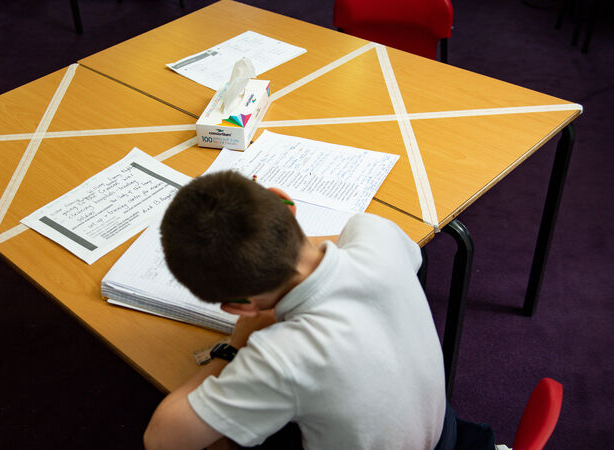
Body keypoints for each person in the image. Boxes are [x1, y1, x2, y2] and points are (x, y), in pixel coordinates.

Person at [144, 170, 448, 450]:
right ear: (285, 201)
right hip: (442, 429)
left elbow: (160, 439)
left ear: (239, 307)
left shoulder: (279, 357)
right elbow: (409, 258)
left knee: (221, 441)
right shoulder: (374, 232)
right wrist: (271, 242)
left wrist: (234, 348)